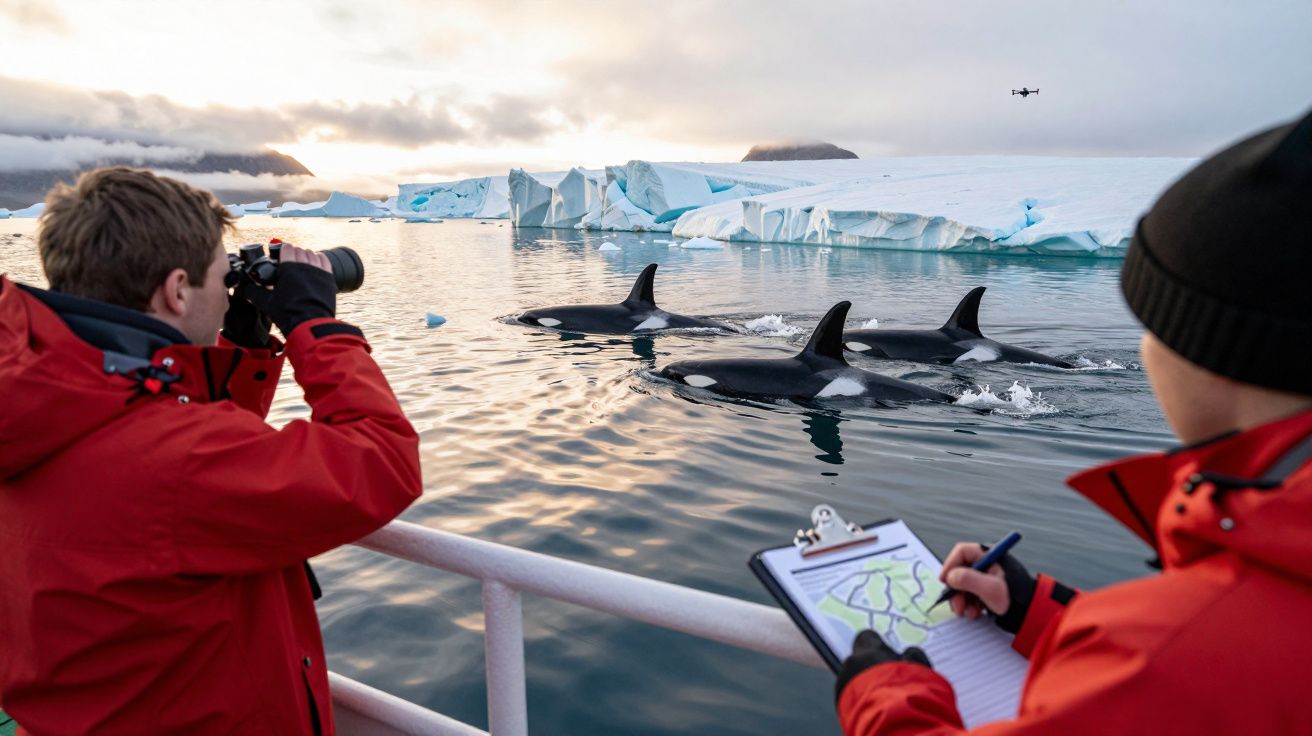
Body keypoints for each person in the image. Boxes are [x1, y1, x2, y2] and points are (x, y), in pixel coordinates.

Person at [835, 109, 1312, 734]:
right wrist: (1042, 613)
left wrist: (886, 697)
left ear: (1210, 350)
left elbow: (1179, 662)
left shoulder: (1171, 654)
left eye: (1152, 324)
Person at [0, 167, 423, 735]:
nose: (225, 300)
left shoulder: (48, 404)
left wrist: (242, 345)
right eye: (219, 283)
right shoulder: (176, 461)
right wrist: (315, 326)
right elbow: (382, 459)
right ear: (176, 291)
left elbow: (185, 460)